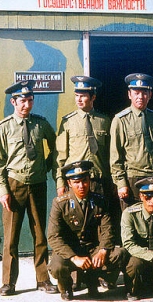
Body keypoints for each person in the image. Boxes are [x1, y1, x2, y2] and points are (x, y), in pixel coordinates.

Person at [0, 80, 58, 296]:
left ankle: (43, 279)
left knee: (40, 234)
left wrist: (47, 166)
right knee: (11, 237)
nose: (27, 105)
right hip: (14, 185)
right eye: (22, 101)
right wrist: (3, 190)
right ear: (13, 102)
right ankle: (9, 282)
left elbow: (57, 146)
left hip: (37, 184)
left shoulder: (40, 124)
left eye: (30, 100)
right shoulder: (4, 127)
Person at [47, 160, 129, 301]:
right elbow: (53, 237)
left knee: (119, 254)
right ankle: (66, 286)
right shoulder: (60, 203)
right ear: (69, 184)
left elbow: (108, 229)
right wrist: (74, 257)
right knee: (56, 265)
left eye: (84, 181)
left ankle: (95, 280)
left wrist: (103, 250)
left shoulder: (100, 201)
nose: (81, 186)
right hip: (71, 250)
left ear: (89, 180)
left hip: (92, 249)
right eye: (76, 182)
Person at [54, 75, 120, 246]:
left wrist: (114, 181)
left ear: (93, 97)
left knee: (103, 225)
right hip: (77, 182)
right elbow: (61, 156)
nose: (79, 99)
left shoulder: (104, 121)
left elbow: (111, 155)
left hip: (100, 181)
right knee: (78, 224)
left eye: (83, 95)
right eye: (77, 95)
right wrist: (61, 182)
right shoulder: (67, 122)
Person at [110, 73, 153, 211]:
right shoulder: (120, 120)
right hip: (133, 178)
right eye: (136, 92)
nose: (140, 97)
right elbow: (115, 156)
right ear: (129, 94)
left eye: (144, 92)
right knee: (133, 222)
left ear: (150, 95)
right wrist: (121, 183)